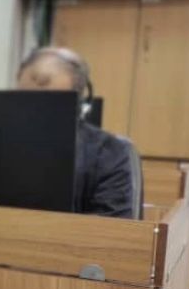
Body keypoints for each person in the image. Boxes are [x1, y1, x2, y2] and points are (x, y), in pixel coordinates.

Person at [15, 47, 142, 218]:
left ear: (80, 104)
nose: (35, 111)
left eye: (51, 102)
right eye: (25, 99)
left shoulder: (110, 153)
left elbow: (112, 227)